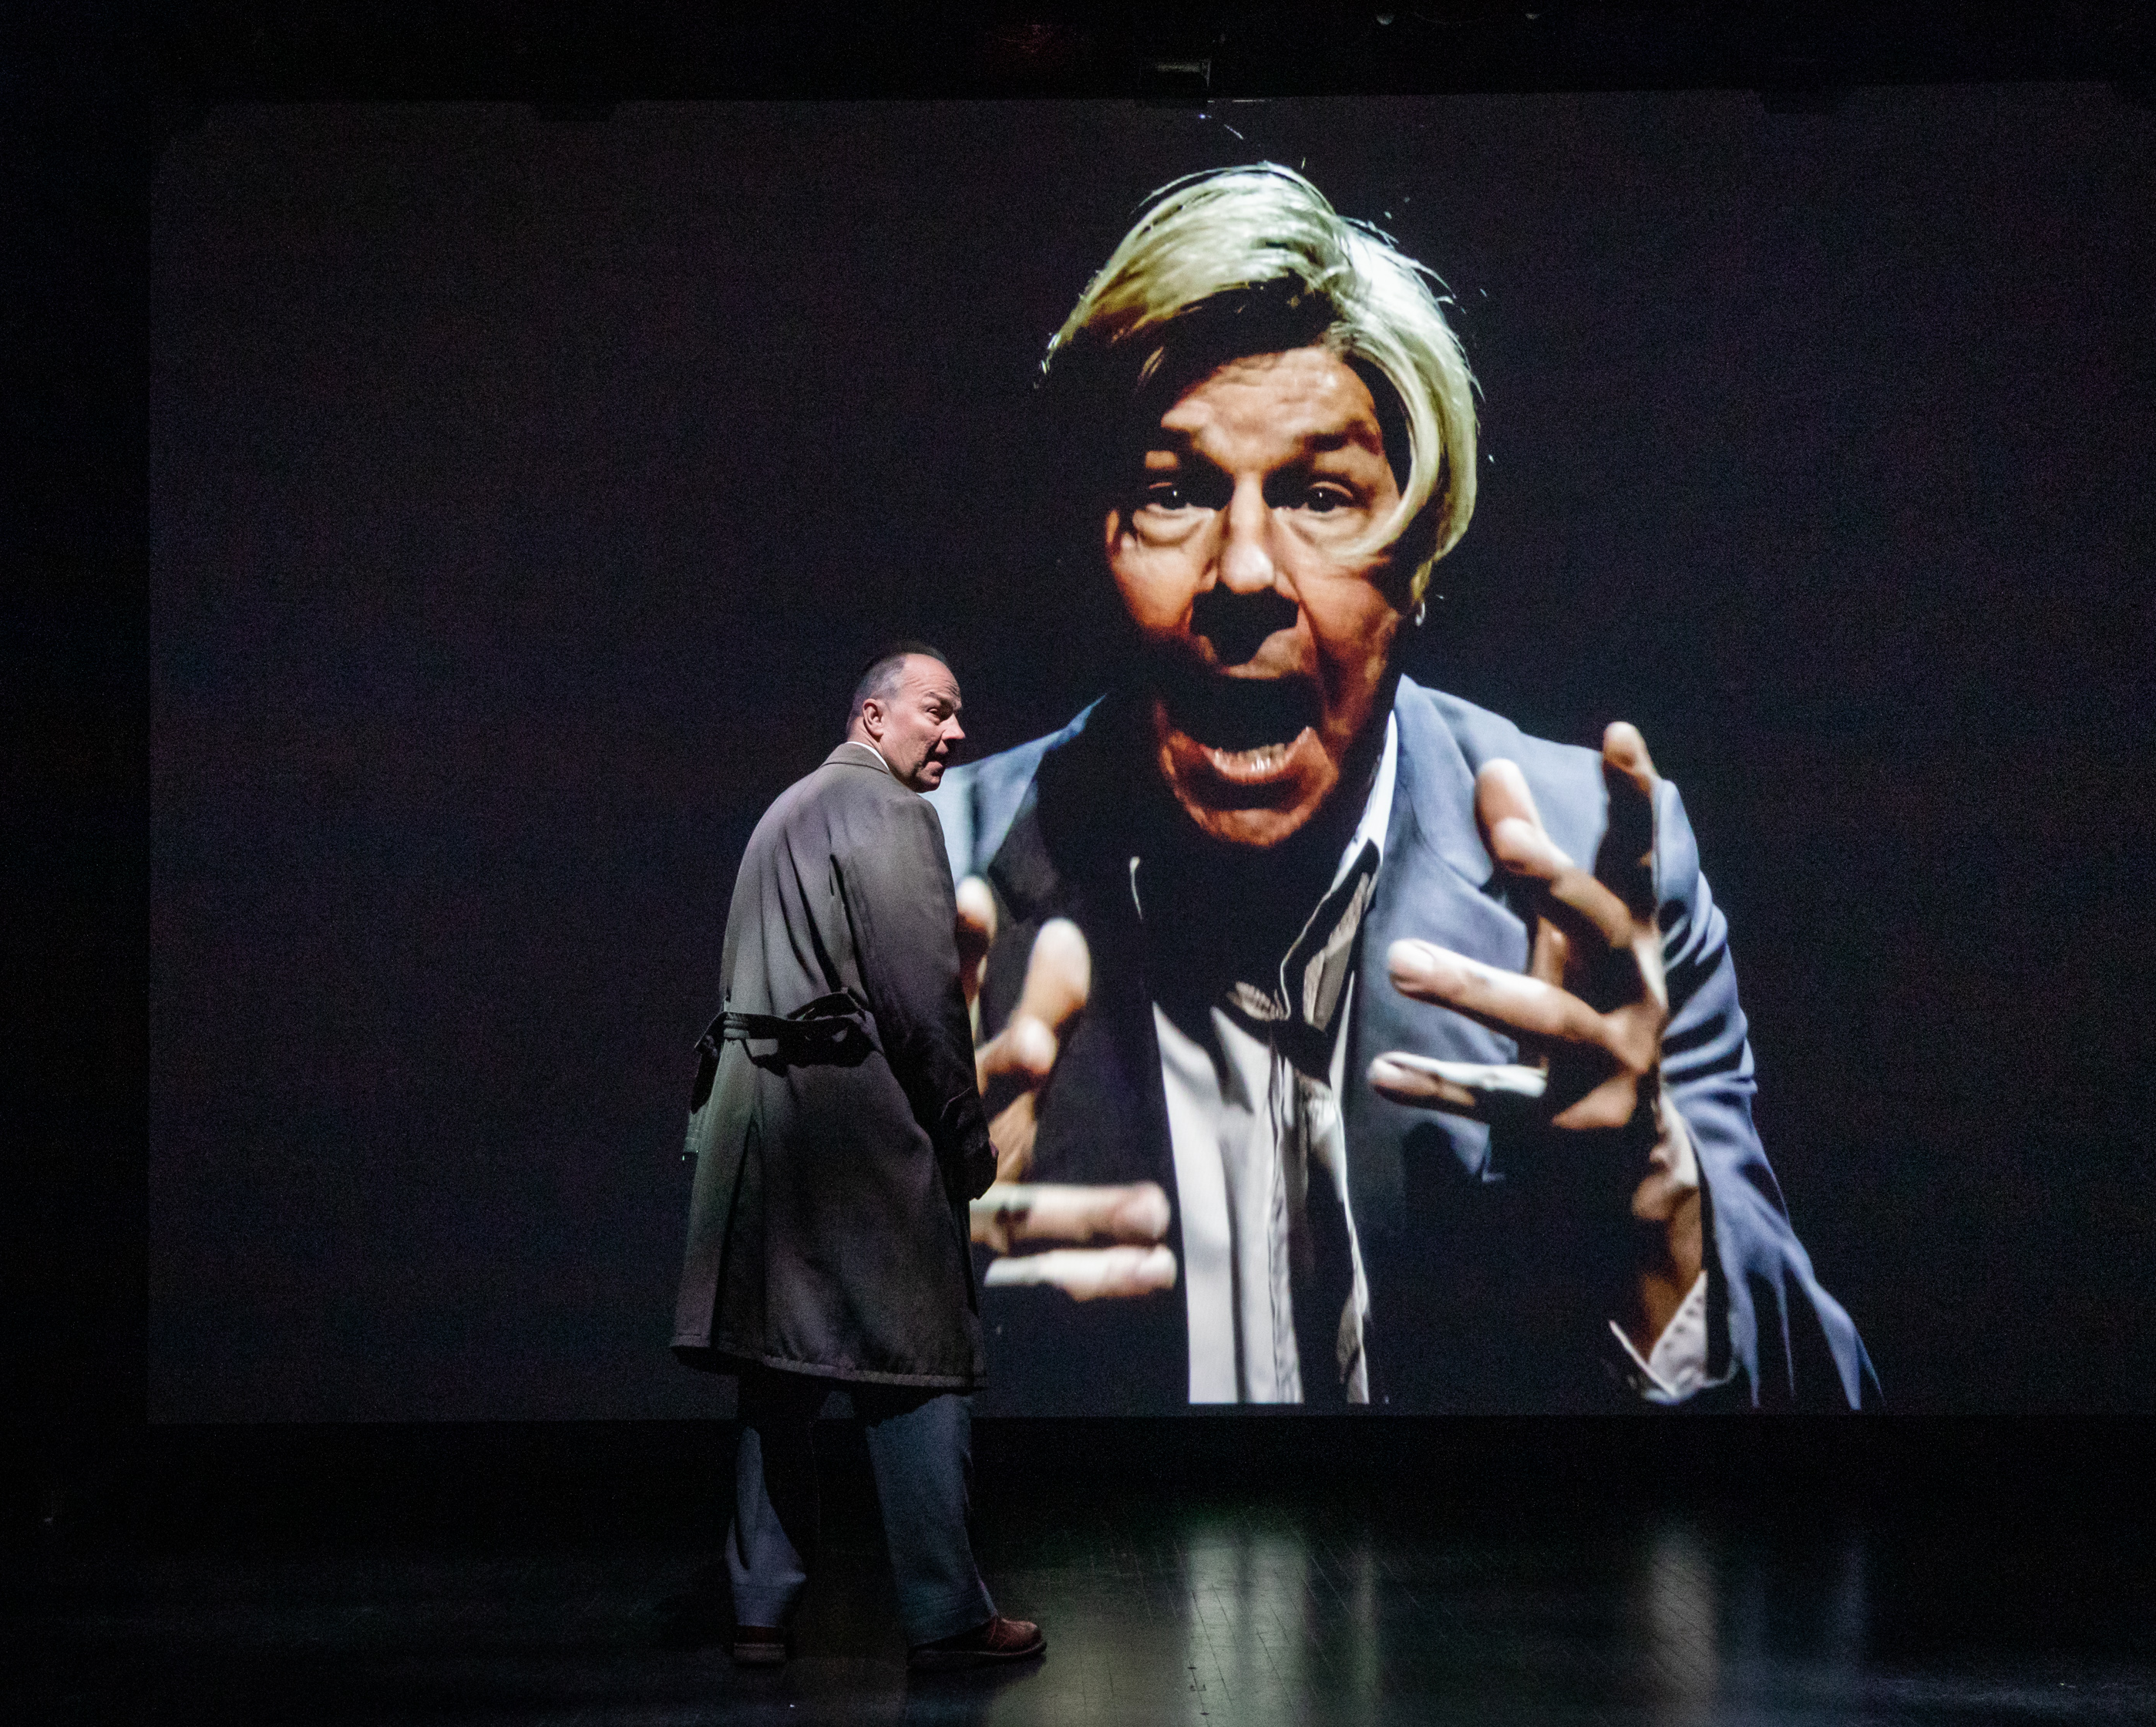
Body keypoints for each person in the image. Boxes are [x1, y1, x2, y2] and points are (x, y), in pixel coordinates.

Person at [937, 166, 1879, 1412]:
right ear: (1095, 543)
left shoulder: (1598, 881)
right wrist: (880, 1308)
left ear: (1420, 559)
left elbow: (1832, 1436)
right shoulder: (914, 898)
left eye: (1321, 495)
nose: (1245, 572)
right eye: (1174, 491)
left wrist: (1659, 1204)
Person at [671, 645, 1044, 1668]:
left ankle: (760, 1612)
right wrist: (965, 1134)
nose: (957, 732)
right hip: (854, 1134)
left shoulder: (783, 812)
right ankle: (948, 1615)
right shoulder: (889, 812)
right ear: (874, 718)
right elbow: (922, 998)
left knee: (779, 1377)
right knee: (920, 1366)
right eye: (938, 710)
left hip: (764, 1136)